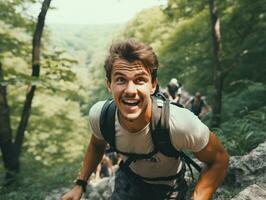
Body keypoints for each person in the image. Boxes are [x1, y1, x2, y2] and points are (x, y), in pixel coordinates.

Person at [61, 40, 229, 200]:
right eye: (120, 80)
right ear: (109, 85)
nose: (130, 90)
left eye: (140, 80)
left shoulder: (179, 123)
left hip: (169, 189)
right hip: (128, 182)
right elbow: (97, 145)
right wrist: (80, 184)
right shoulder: (102, 116)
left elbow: (219, 159)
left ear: (153, 85)